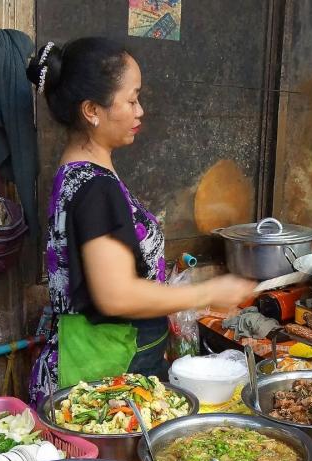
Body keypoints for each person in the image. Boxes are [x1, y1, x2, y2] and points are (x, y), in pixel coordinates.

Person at [26, 37, 255, 406]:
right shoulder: (96, 188)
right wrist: (209, 293)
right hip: (106, 371)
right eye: (131, 99)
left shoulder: (74, 172)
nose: (140, 111)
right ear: (91, 110)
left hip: (97, 356)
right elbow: (115, 294)